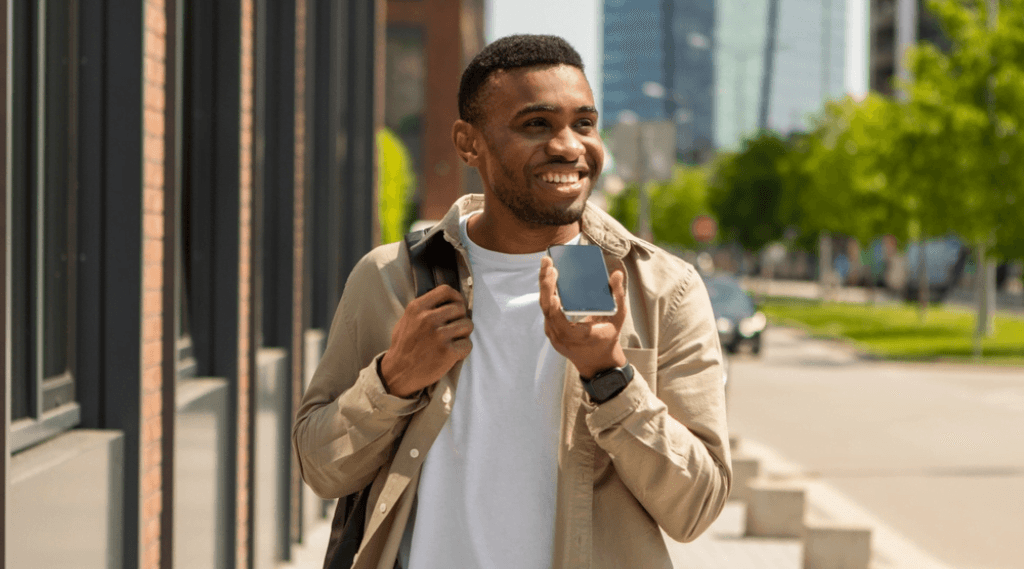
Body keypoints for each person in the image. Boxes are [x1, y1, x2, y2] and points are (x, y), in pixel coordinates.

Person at [292, 34, 731, 569]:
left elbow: (698, 508)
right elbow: (321, 468)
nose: (569, 146)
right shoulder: (391, 278)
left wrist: (609, 376)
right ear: (468, 142)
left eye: (584, 124)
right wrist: (393, 379)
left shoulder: (661, 289)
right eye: (536, 124)